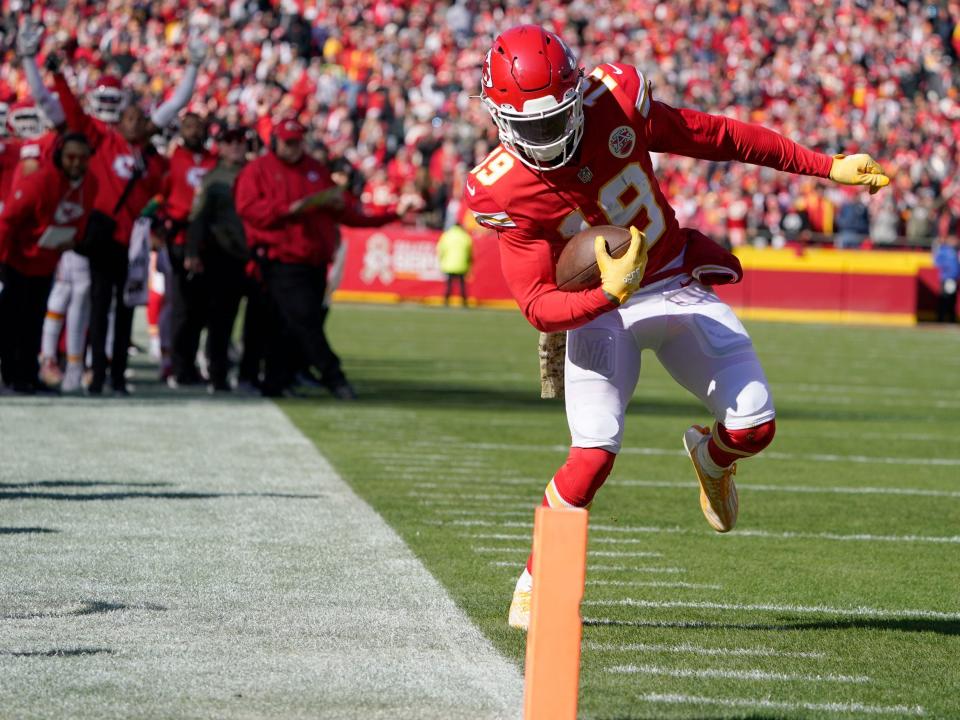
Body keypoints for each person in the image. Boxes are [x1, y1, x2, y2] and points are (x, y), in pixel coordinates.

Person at [463, 25, 891, 630]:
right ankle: (536, 578)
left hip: (672, 280)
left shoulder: (615, 103)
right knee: (593, 453)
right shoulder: (503, 187)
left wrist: (824, 166)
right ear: (499, 118)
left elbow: (717, 136)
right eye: (532, 128)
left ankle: (712, 458)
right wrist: (604, 294)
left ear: (578, 91)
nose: (550, 137)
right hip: (601, 310)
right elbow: (536, 303)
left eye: (557, 118)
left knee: (755, 423)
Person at [48, 37, 205, 395]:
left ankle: (116, 377)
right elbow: (71, 109)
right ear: (119, 122)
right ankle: (94, 374)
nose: (135, 123)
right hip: (102, 237)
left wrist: (194, 66)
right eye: (129, 118)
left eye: (140, 119)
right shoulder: (104, 141)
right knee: (96, 305)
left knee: (126, 309)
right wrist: (56, 75)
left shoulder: (152, 161)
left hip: (131, 242)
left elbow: (176, 104)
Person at [235, 117, 399, 400]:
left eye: (298, 142)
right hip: (279, 259)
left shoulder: (314, 170)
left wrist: (389, 215)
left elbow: (345, 211)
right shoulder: (258, 170)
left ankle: (277, 381)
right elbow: (248, 209)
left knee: (286, 324)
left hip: (314, 260)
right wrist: (288, 210)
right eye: (288, 143)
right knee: (304, 320)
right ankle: (334, 376)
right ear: (275, 141)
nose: (294, 148)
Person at [0, 133, 96, 393]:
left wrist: (73, 239)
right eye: (71, 157)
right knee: (13, 320)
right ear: (59, 156)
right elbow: (8, 220)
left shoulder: (90, 184)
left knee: (35, 320)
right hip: (18, 259)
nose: (76, 163)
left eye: (82, 158)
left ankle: (30, 374)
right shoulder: (40, 182)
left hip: (48, 259)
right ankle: (11, 376)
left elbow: (80, 219)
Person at [184, 126, 250, 392]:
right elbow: (197, 217)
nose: (235, 147)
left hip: (254, 254)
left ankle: (249, 372)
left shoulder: (255, 173)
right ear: (221, 147)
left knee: (256, 318)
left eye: (240, 142)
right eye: (229, 142)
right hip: (223, 254)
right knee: (220, 317)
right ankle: (217, 372)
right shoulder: (213, 179)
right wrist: (192, 251)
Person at [162, 112, 218, 387]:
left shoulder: (213, 161)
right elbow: (160, 196)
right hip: (180, 239)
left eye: (199, 126)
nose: (194, 131)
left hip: (208, 239)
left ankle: (193, 363)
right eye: (189, 126)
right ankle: (178, 365)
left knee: (201, 308)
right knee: (181, 306)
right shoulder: (172, 161)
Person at [437, 222, 472, 307]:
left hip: (449, 264)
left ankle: (446, 302)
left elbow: (440, 249)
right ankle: (464, 302)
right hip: (462, 264)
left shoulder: (446, 235)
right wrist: (468, 263)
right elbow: (469, 252)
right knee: (462, 285)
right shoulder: (465, 236)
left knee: (449, 285)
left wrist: (442, 260)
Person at [933, 235, 959, 323]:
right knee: (944, 299)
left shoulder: (956, 251)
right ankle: (941, 318)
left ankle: (950, 318)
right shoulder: (944, 250)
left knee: (952, 299)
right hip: (947, 278)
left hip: (954, 278)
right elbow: (937, 262)